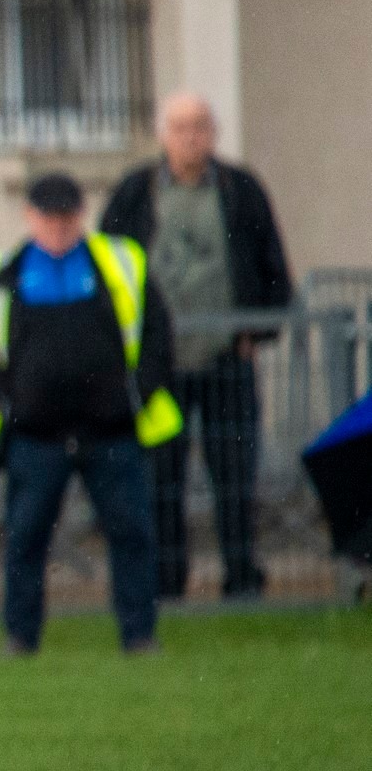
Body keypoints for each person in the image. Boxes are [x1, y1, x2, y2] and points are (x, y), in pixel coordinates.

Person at [0, 173, 182, 655]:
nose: (58, 227)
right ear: (29, 217)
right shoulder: (0, 274)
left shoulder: (121, 263)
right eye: (49, 217)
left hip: (111, 430)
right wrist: (8, 402)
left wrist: (135, 396)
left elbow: (157, 337)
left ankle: (139, 634)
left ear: (81, 215)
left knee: (131, 533)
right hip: (35, 433)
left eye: (67, 216)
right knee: (25, 537)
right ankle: (20, 636)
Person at [98, 93, 293, 599]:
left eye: (200, 125)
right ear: (162, 134)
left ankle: (241, 578)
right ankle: (166, 581)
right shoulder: (135, 191)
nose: (191, 137)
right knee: (160, 478)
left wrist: (257, 330)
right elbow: (106, 266)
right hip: (158, 367)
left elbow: (273, 267)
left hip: (227, 359)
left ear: (214, 133)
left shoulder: (240, 189)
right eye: (180, 127)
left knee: (235, 475)